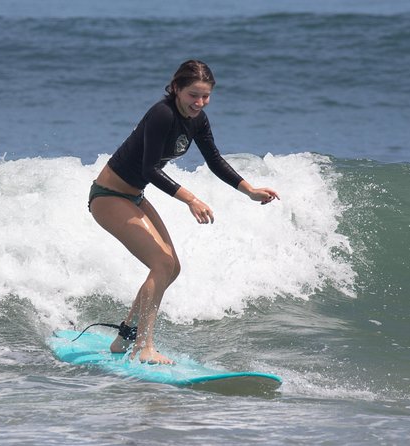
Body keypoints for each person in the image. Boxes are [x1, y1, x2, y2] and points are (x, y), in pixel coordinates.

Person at [88, 59, 279, 364]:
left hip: (133, 197)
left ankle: (123, 340)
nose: (199, 103)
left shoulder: (197, 120)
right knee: (161, 263)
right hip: (108, 197)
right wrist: (191, 199)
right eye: (193, 95)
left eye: (206, 96)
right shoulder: (162, 115)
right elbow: (149, 169)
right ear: (176, 88)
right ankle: (143, 347)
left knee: (171, 267)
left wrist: (250, 190)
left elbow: (214, 160)